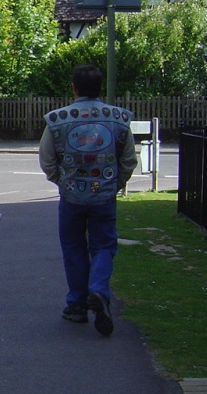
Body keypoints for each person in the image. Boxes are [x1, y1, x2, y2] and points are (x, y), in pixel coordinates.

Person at [39, 64, 137, 336]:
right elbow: (128, 160)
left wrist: (61, 181)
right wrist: (115, 184)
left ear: (74, 87)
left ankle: (77, 306)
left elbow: (46, 159)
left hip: (71, 196)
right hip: (104, 196)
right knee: (104, 246)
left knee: (73, 248)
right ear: (99, 87)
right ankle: (99, 291)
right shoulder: (118, 119)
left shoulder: (57, 119)